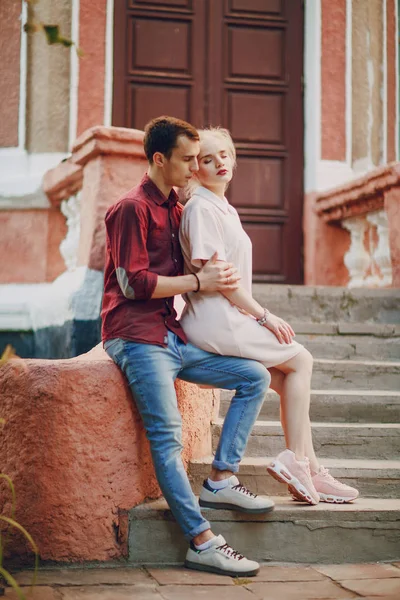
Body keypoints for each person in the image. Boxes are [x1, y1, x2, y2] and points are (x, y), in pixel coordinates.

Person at [101, 116, 275, 578]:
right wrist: (199, 281)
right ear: (160, 159)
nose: (196, 167)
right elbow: (133, 283)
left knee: (254, 375)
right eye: (188, 159)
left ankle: (220, 478)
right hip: (135, 337)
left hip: (171, 335)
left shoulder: (180, 208)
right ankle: (201, 541)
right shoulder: (129, 209)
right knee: (168, 435)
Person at [179, 126, 359, 506]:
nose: (219, 163)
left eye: (224, 155)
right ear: (195, 169)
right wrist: (264, 317)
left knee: (284, 378)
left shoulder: (221, 206)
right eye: (207, 160)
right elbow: (221, 280)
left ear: (233, 158)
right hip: (214, 317)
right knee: (302, 359)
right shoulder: (200, 209)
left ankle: (310, 469)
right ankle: (298, 463)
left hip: (226, 314)